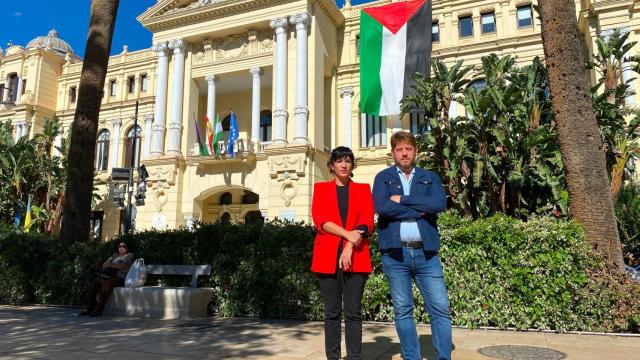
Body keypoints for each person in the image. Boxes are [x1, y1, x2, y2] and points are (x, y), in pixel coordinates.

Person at [372, 131, 452, 360]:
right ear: (393, 153)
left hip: (426, 254)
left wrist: (403, 200)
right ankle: (411, 357)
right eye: (399, 149)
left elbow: (438, 204)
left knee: (440, 309)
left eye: (408, 148)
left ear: (415, 151)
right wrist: (420, 209)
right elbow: (382, 207)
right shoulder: (383, 177)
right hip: (395, 255)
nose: (404, 153)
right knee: (403, 310)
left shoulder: (430, 177)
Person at [311, 146, 374, 360]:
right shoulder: (320, 189)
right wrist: (348, 235)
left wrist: (349, 245)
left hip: (356, 256)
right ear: (331, 166)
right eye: (339, 161)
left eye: (348, 161)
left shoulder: (363, 189)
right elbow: (321, 221)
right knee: (332, 313)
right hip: (326, 257)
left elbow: (367, 222)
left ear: (353, 165)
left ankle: (354, 357)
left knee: (353, 312)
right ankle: (333, 357)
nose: (344, 165)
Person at [79, 241, 134, 317]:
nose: (121, 248)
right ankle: (90, 308)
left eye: (123, 246)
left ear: (127, 248)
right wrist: (113, 265)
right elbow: (104, 265)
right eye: (120, 246)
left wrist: (111, 264)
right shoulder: (115, 255)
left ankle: (99, 309)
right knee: (95, 284)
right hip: (108, 276)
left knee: (106, 285)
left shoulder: (129, 256)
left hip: (119, 278)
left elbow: (123, 266)